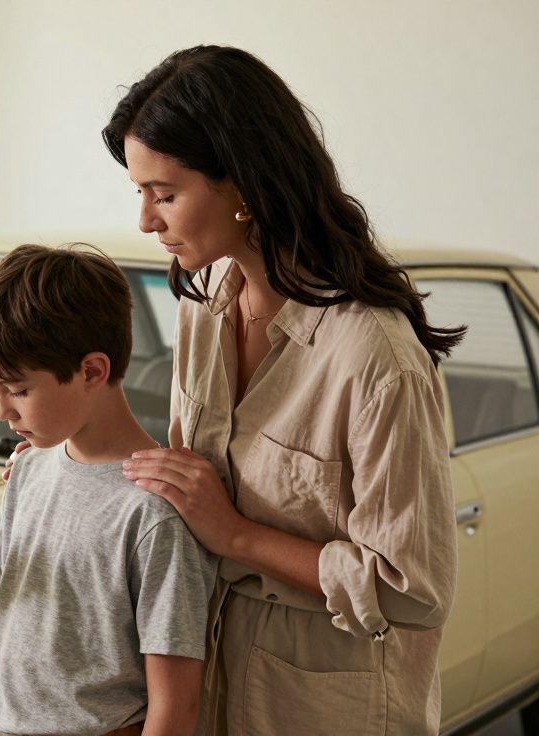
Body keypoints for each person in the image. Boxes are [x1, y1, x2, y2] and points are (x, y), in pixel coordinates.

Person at [104, 46, 461, 734]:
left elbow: (412, 589)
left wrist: (236, 534)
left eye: (165, 194)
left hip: (327, 709)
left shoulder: (374, 356)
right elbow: (192, 492)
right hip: (211, 688)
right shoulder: (203, 309)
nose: (146, 221)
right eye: (140, 193)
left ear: (242, 185)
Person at [0, 245, 218, 736]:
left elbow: (175, 707)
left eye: (18, 390)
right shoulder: (29, 472)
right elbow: (8, 626)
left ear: (92, 371)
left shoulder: (154, 512)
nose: (1, 411)